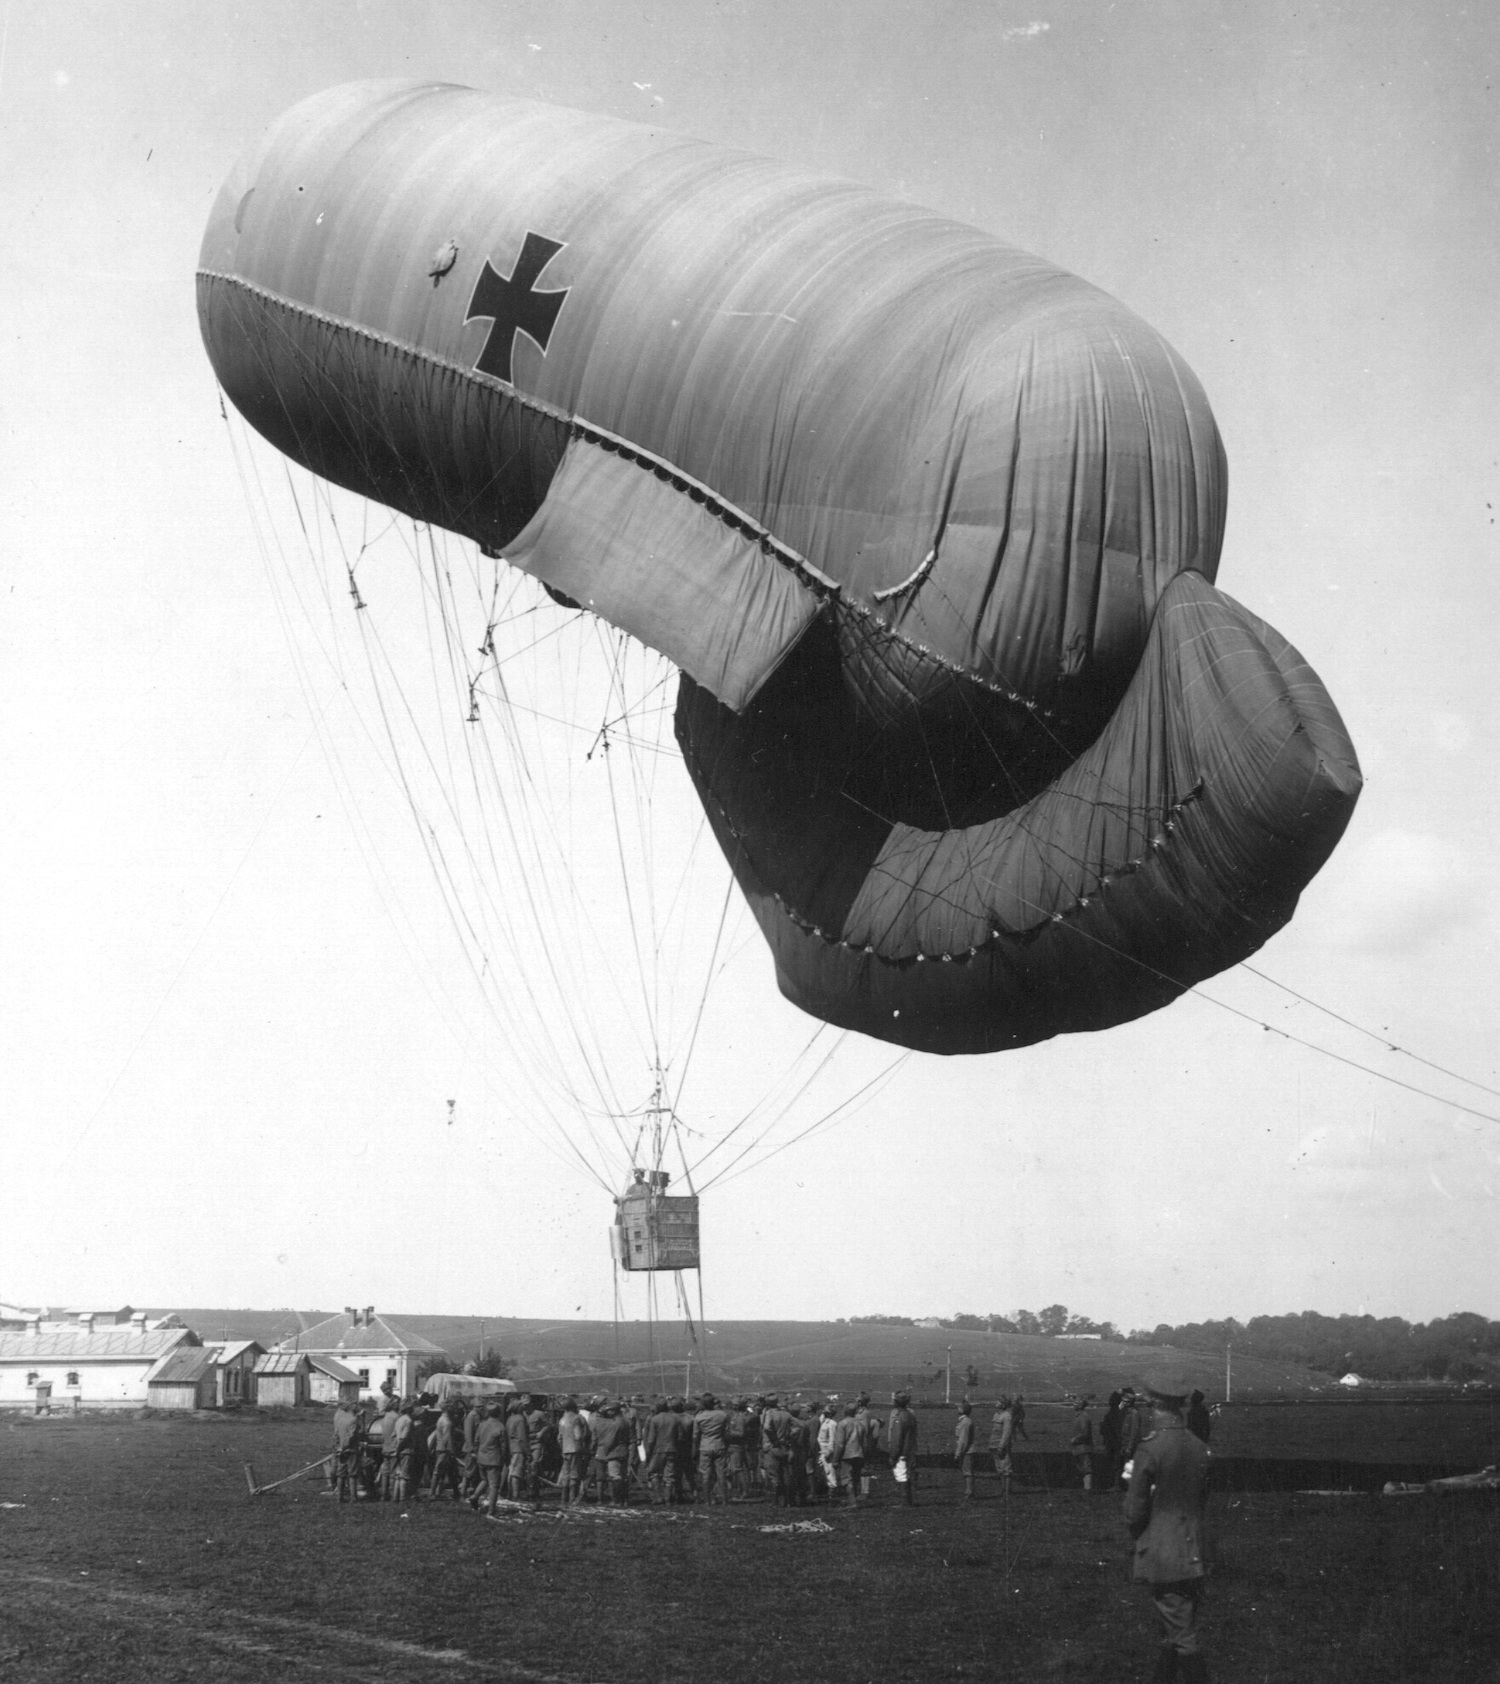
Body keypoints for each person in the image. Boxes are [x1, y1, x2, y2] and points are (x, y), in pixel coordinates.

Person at [1124, 1371, 1212, 1683]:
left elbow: (1134, 1514)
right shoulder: (1199, 1446)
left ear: (1155, 1405)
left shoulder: (1151, 1448)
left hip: (1164, 1553)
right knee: (1173, 1630)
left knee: (1182, 1635)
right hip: (1196, 1550)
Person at [692, 1392, 731, 1504]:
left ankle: (707, 1500)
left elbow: (695, 1436)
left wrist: (695, 1449)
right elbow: (726, 1432)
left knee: (705, 1474)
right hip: (719, 1445)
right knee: (721, 1473)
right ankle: (725, 1499)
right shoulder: (722, 1415)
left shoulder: (699, 1417)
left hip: (705, 1446)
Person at [557, 1395, 591, 1507]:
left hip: (565, 1449)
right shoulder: (577, 1418)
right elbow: (578, 1435)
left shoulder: (562, 1420)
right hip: (575, 1449)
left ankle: (563, 1498)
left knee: (566, 1474)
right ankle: (572, 1498)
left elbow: (559, 1438)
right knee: (574, 1474)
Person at [887, 1390, 919, 1506]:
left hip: (901, 1452)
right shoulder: (911, 1415)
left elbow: (896, 1440)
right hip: (909, 1450)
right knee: (907, 1475)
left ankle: (904, 1502)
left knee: (901, 1476)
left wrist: (893, 1456)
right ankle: (908, 1501)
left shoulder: (898, 1418)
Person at [332, 1398, 364, 1502]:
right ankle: (353, 1498)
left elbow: (336, 1435)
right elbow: (351, 1436)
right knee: (352, 1474)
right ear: (352, 1406)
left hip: (341, 1451)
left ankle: (339, 1498)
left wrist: (338, 1448)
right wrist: (344, 1446)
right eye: (355, 1405)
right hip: (350, 1450)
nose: (357, 1407)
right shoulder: (353, 1420)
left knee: (341, 1475)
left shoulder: (340, 1419)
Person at [989, 1395, 1015, 1497]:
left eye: (998, 1401)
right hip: (994, 1444)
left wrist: (1001, 1446)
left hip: (1002, 1445)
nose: (996, 1403)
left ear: (1003, 1405)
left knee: (1006, 1468)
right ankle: (1003, 1490)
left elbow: (1006, 1433)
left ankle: (1007, 1491)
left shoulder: (1007, 1416)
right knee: (999, 1468)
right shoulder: (996, 1415)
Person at [1099, 1391, 1126, 1490]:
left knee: (1115, 1464)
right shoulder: (1120, 1413)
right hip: (1114, 1441)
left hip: (1112, 1442)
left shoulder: (1112, 1414)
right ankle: (1115, 1484)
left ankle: (1115, 1484)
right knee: (1116, 1464)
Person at [953, 1400, 977, 1500]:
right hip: (966, 1450)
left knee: (968, 1472)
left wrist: (958, 1453)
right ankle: (969, 1491)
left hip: (967, 1451)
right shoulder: (965, 1421)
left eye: (959, 1407)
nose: (957, 1409)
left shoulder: (965, 1422)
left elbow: (963, 1440)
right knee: (967, 1471)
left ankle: (969, 1492)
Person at [1070, 1398, 1095, 1491]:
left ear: (1080, 1405)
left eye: (1076, 1403)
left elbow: (1085, 1433)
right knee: (1082, 1469)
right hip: (1078, 1447)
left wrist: (1075, 1439)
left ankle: (1088, 1489)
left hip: (1083, 1447)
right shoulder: (1078, 1416)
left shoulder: (1084, 1417)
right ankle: (1086, 1488)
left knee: (1087, 1469)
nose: (1074, 1404)